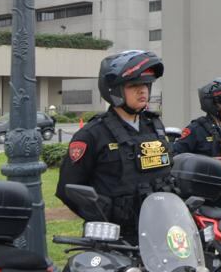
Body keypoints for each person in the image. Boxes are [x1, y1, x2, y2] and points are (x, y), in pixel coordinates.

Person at [57, 50, 171, 240]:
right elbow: (68, 189)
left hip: (158, 231)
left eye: (145, 84)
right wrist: (103, 217)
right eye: (134, 85)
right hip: (115, 239)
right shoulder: (91, 135)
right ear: (114, 90)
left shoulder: (155, 127)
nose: (142, 90)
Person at [172, 76, 221, 212]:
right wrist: (207, 163)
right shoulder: (196, 129)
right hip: (207, 197)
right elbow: (176, 157)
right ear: (211, 103)